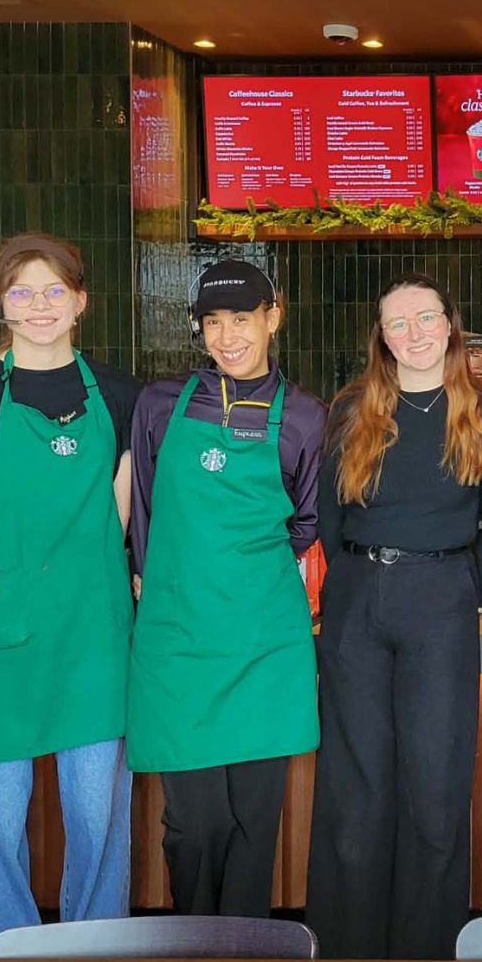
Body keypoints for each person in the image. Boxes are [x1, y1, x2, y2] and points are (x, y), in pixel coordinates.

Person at [0, 233, 141, 958]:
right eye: (21, 291)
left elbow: (118, 518)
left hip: (92, 637)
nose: (39, 305)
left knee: (99, 820)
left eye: (54, 290)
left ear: (80, 301)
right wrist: (5, 600)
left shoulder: (121, 396)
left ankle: (95, 960)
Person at [306, 274, 482, 958]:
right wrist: (351, 580)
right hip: (358, 598)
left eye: (426, 318)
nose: (414, 333)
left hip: (441, 599)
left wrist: (472, 587)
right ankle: (348, 953)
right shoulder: (352, 408)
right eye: (398, 322)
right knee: (355, 784)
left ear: (450, 325)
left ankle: (426, 954)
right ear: (383, 336)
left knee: (435, 782)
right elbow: (329, 512)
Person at [126, 259, 326, 918]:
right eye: (213, 322)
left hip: (264, 644)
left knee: (253, 824)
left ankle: (245, 951)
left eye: (242, 319)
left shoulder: (305, 418)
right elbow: (144, 511)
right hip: (179, 643)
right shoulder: (160, 405)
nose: (227, 336)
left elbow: (305, 521)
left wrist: (241, 574)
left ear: (274, 317)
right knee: (194, 823)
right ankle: (194, 948)